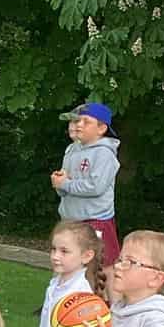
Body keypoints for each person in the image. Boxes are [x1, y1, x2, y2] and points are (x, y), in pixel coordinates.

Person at [51, 102, 122, 266]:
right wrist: (59, 184)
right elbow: (66, 183)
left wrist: (65, 184)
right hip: (70, 221)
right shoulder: (71, 150)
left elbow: (95, 187)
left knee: (100, 268)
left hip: (94, 222)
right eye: (76, 121)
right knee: (71, 267)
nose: (78, 125)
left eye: (86, 121)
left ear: (101, 128)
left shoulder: (104, 153)